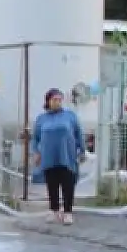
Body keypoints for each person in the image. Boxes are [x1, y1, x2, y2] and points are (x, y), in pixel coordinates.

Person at [31, 88, 84, 225]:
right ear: (48, 101)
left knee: (68, 184)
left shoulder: (70, 116)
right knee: (52, 183)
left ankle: (67, 212)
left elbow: (79, 133)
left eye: (60, 100)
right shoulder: (41, 119)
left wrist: (82, 151)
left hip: (67, 155)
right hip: (49, 157)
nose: (58, 102)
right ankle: (54, 210)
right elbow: (35, 138)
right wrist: (36, 152)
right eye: (55, 100)